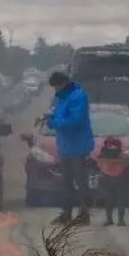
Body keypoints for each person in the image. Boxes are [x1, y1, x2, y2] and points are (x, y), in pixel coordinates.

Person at [44, 71, 94, 225]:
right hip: (65, 146)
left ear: (64, 83)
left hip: (78, 146)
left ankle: (84, 214)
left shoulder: (78, 96)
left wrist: (54, 123)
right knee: (66, 183)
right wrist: (48, 118)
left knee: (81, 182)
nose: (55, 89)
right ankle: (66, 214)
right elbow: (59, 116)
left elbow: (75, 120)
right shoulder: (60, 98)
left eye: (56, 86)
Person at [97, 136, 129, 226]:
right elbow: (127, 166)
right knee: (121, 200)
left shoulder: (102, 155)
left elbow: (99, 166)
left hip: (107, 179)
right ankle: (121, 220)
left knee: (109, 200)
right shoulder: (122, 156)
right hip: (120, 180)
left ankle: (109, 220)